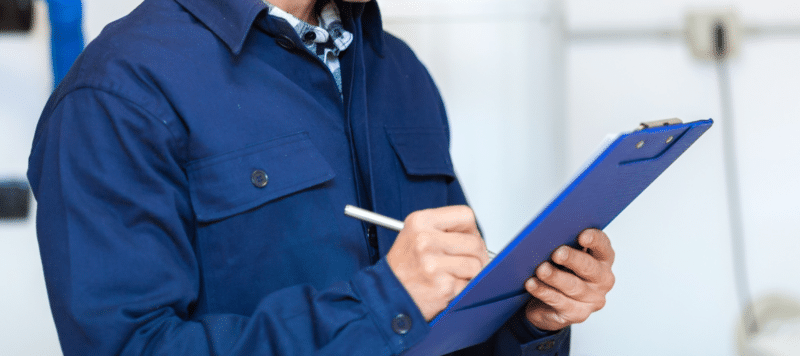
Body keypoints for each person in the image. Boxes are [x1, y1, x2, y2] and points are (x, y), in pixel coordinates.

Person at [27, 0, 615, 354]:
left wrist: (531, 319)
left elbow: (452, 313)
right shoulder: (116, 94)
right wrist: (383, 303)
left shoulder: (398, 69)